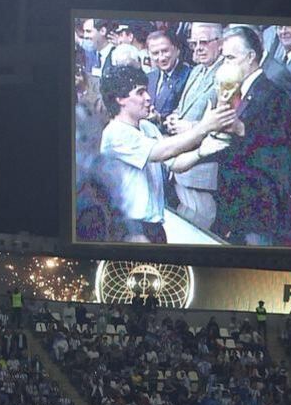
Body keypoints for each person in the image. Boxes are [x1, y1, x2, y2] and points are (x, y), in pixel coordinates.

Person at [98, 65, 235, 243]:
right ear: (120, 99)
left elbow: (174, 163)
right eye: (140, 93)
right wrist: (203, 127)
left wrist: (201, 152)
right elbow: (161, 152)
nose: (148, 98)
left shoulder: (147, 127)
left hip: (153, 227)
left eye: (146, 91)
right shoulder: (115, 133)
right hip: (130, 229)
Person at [208, 26, 291, 246]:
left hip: (259, 206)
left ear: (251, 57)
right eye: (223, 58)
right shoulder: (234, 91)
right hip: (234, 203)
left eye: (230, 57)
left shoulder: (273, 93)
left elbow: (277, 147)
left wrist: (242, 130)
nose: (225, 64)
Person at [165, 22, 224, 230]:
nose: (198, 48)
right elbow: (182, 107)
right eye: (193, 43)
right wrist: (174, 118)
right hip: (181, 164)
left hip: (203, 169)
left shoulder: (226, 74)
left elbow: (224, 120)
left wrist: (190, 126)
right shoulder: (196, 70)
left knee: (199, 225)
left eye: (204, 42)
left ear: (220, 43)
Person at [146, 30, 190, 125]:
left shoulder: (189, 76)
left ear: (176, 50)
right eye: (155, 53)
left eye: (165, 51)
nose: (161, 58)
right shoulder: (149, 78)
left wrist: (159, 118)